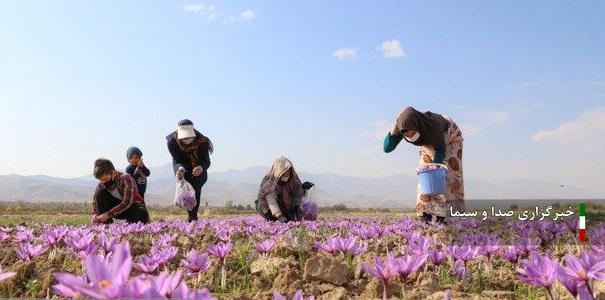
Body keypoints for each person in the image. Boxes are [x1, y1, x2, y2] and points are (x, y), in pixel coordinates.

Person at [383, 106, 464, 224]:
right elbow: (387, 148)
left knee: (447, 176)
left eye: (412, 133)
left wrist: (435, 167)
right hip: (429, 143)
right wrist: (395, 126)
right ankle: (425, 214)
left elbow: (440, 149)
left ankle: (445, 216)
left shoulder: (432, 126)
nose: (410, 137)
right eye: (407, 135)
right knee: (425, 176)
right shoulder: (404, 127)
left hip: (451, 138)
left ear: (417, 126)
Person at [166, 119, 213, 222]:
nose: (186, 138)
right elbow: (178, 159)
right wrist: (180, 169)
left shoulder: (202, 141)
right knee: (186, 187)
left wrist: (200, 168)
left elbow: (206, 161)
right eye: (184, 136)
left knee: (196, 188)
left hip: (199, 167)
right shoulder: (172, 141)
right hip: (180, 165)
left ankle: (193, 217)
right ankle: (191, 216)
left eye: (189, 136)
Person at [255, 156, 314, 222]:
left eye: (288, 171)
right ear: (278, 171)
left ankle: (285, 216)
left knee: (290, 219)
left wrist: (303, 187)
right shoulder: (270, 181)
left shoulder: (293, 179)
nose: (287, 174)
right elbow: (271, 199)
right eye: (284, 173)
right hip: (268, 208)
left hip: (285, 207)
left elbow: (297, 194)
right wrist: (279, 215)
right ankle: (275, 218)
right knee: (277, 218)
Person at [92, 158, 150, 224]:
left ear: (113, 172)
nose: (104, 182)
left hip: (133, 208)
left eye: (106, 179)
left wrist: (108, 214)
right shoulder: (101, 184)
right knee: (100, 192)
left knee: (139, 214)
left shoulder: (125, 178)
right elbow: (95, 201)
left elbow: (127, 202)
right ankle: (106, 226)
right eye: (101, 180)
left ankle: (132, 225)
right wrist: (95, 214)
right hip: (116, 210)